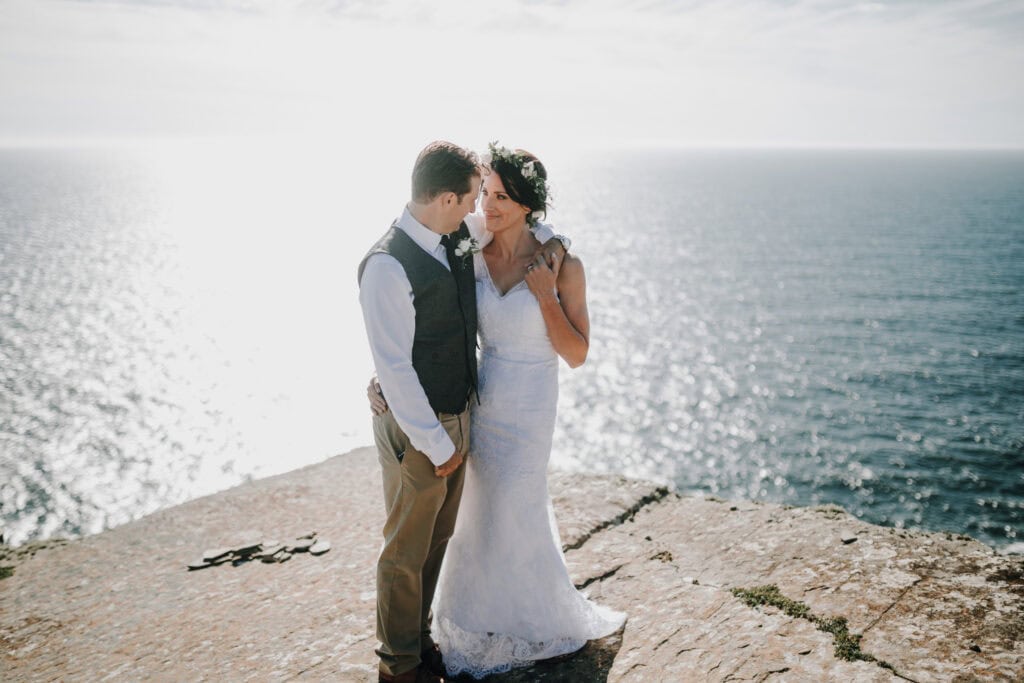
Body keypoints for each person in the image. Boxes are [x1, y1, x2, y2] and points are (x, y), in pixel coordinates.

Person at [368, 143, 624, 679]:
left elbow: (577, 354)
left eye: (503, 196)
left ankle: (530, 614)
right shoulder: (471, 247)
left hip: (531, 405)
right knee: (474, 513)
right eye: (485, 193)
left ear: (529, 203)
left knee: (517, 503)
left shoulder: (562, 264)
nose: (489, 205)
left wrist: (546, 296)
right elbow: (430, 321)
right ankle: (465, 616)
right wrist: (385, 378)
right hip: (479, 398)